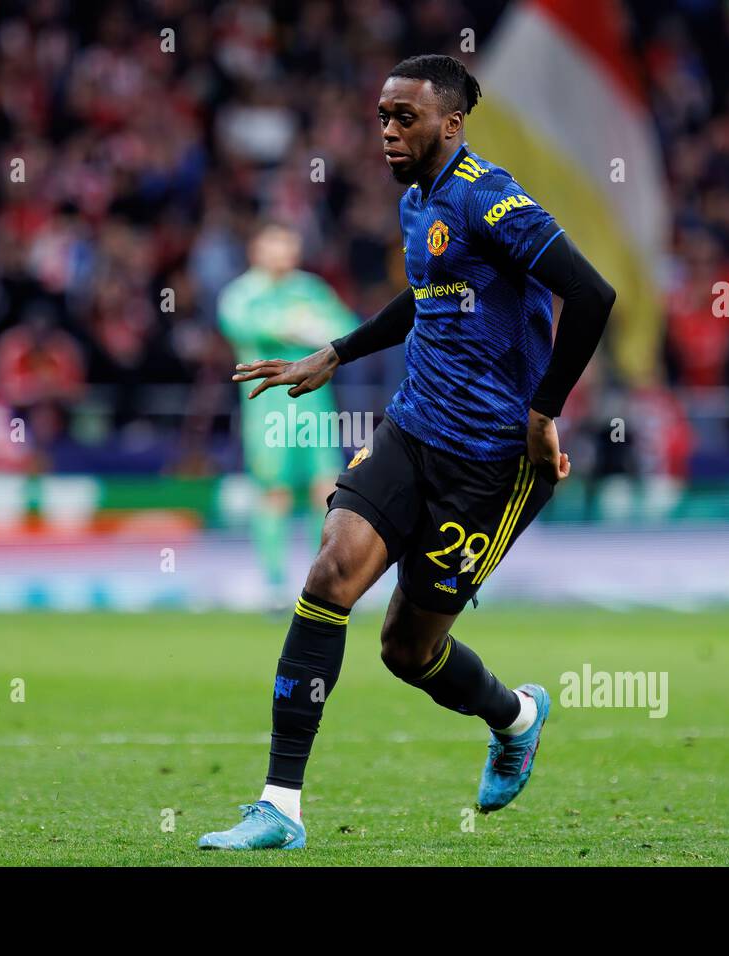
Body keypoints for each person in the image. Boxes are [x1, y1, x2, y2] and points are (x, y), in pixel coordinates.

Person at [200, 55, 616, 850]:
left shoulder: (492, 199)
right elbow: (425, 299)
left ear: (451, 124)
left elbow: (593, 296)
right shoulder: (419, 200)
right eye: (383, 117)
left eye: (406, 118)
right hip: (411, 428)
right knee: (330, 571)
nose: (388, 132)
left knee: (406, 649)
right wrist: (339, 350)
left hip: (492, 465)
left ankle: (516, 717)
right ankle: (279, 806)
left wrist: (543, 413)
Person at [218, 223, 359, 607]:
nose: (282, 254)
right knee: (274, 493)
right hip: (267, 409)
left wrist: (322, 331)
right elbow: (235, 324)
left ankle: (325, 582)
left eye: (288, 246)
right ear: (256, 251)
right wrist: (293, 328)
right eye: (274, 246)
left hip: (313, 406)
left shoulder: (310, 290)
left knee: (326, 492)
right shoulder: (244, 294)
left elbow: (349, 329)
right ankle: (275, 585)